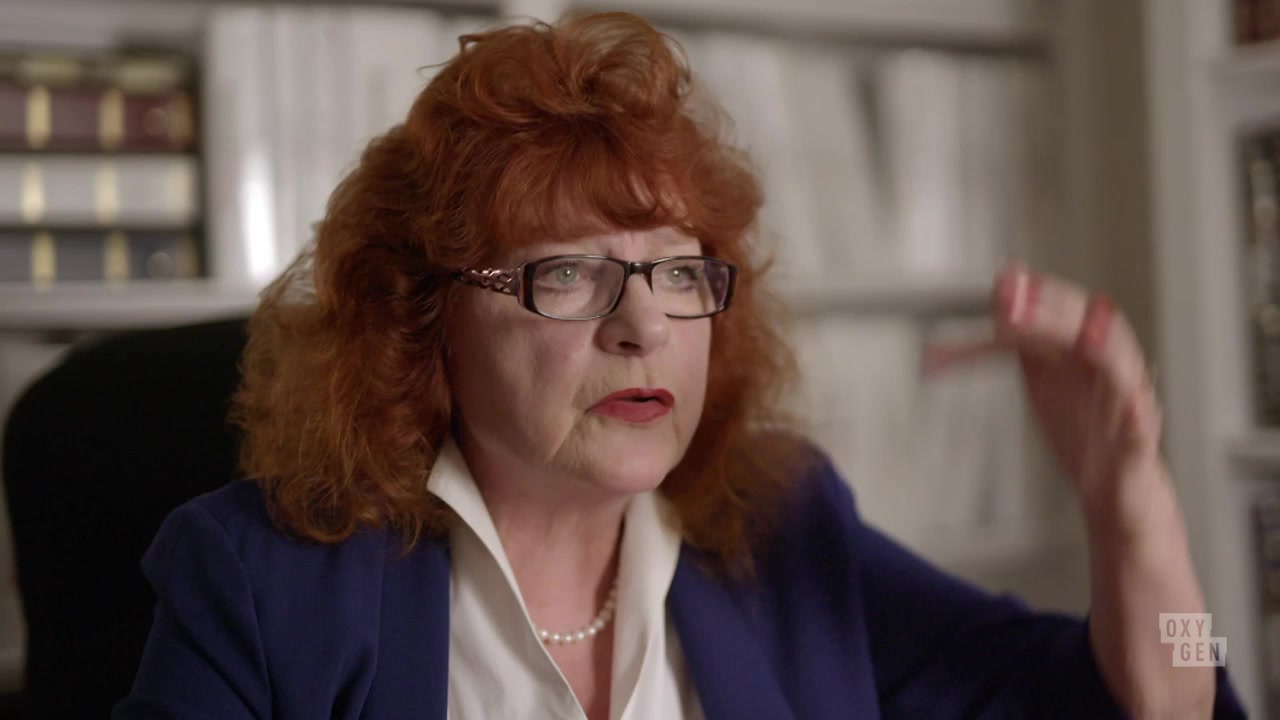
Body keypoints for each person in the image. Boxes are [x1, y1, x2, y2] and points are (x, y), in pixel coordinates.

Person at [114, 11, 1247, 720]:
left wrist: (1133, 501)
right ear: (424, 319)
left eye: (676, 270)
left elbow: (1166, 695)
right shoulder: (258, 578)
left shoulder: (781, 528)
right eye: (567, 273)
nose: (643, 326)